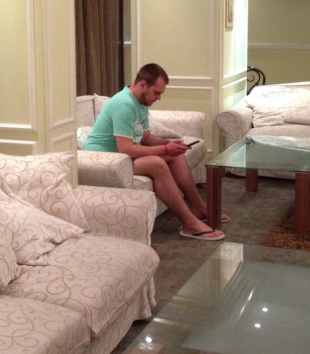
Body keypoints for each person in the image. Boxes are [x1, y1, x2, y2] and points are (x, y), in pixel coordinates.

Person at [84, 63, 227, 241]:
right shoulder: (124, 104)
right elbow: (126, 149)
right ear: (143, 85)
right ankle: (189, 223)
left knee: (175, 155)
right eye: (157, 93)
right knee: (157, 163)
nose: (159, 98)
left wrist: (170, 144)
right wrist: (165, 149)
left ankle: (198, 207)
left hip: (122, 157)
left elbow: (145, 137)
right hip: (106, 160)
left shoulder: (141, 103)